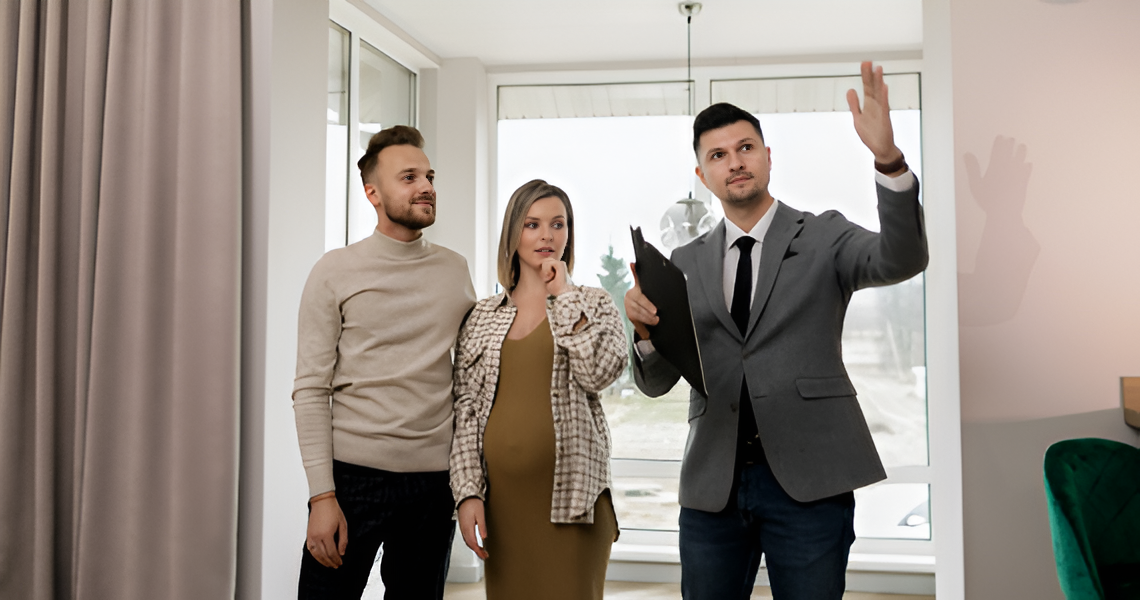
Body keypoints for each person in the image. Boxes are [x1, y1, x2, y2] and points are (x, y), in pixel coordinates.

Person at [624, 62, 929, 600]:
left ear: (767, 156)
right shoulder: (683, 263)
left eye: (745, 147)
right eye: (718, 155)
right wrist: (645, 333)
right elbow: (655, 383)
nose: (734, 162)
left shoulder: (825, 236)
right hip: (713, 483)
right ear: (702, 175)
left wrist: (888, 160)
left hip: (811, 481)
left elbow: (901, 257)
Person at [292, 125, 476, 599]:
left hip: (433, 486)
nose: (427, 187)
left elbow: (472, 377)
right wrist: (322, 496)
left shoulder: (455, 271)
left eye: (429, 175)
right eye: (410, 177)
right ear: (373, 193)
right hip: (352, 482)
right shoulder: (335, 271)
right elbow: (311, 389)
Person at [450, 179, 627, 600]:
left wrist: (562, 293)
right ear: (513, 235)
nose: (547, 235)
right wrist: (467, 493)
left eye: (558, 224)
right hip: (503, 508)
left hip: (574, 504)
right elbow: (465, 413)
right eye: (532, 224)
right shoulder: (480, 316)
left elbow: (599, 373)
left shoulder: (594, 303)